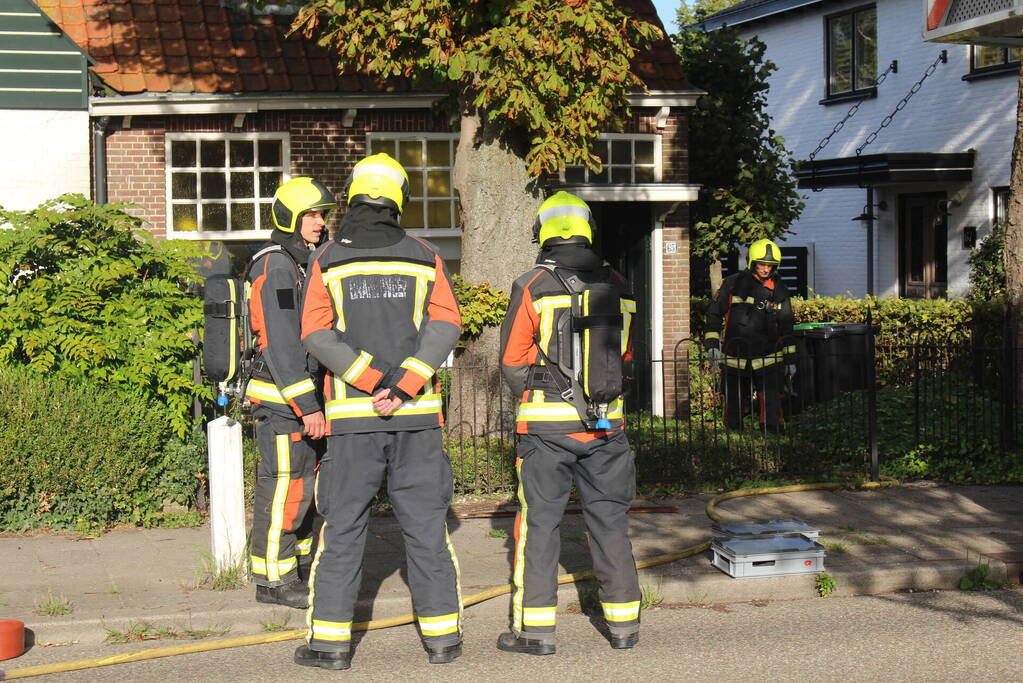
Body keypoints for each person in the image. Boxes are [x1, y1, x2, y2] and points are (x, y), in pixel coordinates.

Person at [296, 153, 463, 671]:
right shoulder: (425, 255)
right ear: (398, 199)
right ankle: (442, 640)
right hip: (416, 421)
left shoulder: (327, 259)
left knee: (342, 529)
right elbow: (446, 325)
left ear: (353, 197)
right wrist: (405, 384)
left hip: (352, 423)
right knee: (426, 529)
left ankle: (329, 645)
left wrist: (370, 380)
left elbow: (315, 334)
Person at [497, 191, 641, 656]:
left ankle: (535, 632)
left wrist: (543, 393)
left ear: (544, 231)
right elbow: (626, 357)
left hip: (547, 432)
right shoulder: (621, 284)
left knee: (539, 527)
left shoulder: (533, 283)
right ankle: (624, 627)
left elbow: (512, 360)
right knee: (610, 523)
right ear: (586, 229)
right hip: (608, 427)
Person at [245, 177, 332, 608]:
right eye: (312, 215)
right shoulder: (276, 265)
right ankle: (273, 581)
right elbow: (281, 341)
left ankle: (294, 571)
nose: (320, 222)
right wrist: (308, 404)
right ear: (290, 218)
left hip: (299, 402)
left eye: (322, 214)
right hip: (284, 403)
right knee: (285, 487)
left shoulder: (300, 262)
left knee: (303, 489)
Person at [704, 238, 796, 433]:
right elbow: (714, 314)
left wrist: (790, 359)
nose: (765, 269)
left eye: (770, 266)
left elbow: (786, 324)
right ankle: (734, 440)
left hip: (769, 357)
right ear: (752, 262)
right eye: (762, 264)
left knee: (771, 404)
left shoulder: (779, 288)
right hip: (735, 355)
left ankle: (772, 440)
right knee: (734, 404)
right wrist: (712, 345)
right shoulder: (732, 284)